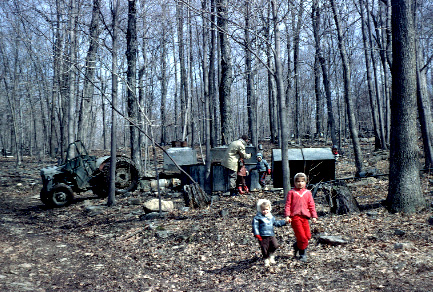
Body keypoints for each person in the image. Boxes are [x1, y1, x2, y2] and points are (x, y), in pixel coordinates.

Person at [284, 173, 318, 262]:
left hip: (305, 217)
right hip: (295, 218)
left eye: (302, 181)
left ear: (305, 182)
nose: (300, 183)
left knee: (307, 236)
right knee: (302, 237)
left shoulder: (308, 193)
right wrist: (287, 216)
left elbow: (311, 205)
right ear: (294, 182)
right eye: (298, 181)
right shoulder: (291, 192)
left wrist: (314, 216)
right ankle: (302, 254)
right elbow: (288, 205)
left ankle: (297, 246)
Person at [252, 199, 286, 267]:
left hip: (271, 234)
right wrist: (257, 234)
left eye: (266, 209)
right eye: (263, 210)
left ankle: (271, 255)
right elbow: (255, 226)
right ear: (260, 210)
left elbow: (276, 223)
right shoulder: (258, 218)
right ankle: (266, 259)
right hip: (262, 235)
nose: (265, 211)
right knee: (264, 248)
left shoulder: (271, 217)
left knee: (275, 245)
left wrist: (284, 222)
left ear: (269, 209)